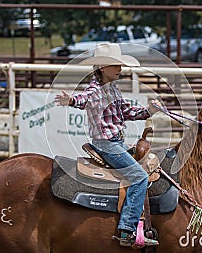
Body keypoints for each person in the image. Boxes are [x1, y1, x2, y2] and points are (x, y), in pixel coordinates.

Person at [55, 43, 160, 247]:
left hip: (117, 142)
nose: (120, 68)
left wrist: (149, 111)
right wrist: (70, 101)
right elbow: (82, 99)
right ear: (102, 66)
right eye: (115, 65)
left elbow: (128, 112)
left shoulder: (113, 89)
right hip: (107, 145)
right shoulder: (95, 90)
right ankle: (127, 230)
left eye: (120, 65)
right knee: (138, 177)